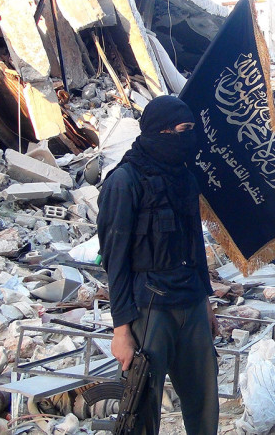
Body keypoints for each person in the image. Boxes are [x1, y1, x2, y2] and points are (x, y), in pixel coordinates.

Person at [97, 95, 219, 435]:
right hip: (149, 308)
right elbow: (115, 261)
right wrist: (121, 330)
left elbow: (194, 243)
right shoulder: (125, 181)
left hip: (191, 303)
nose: (189, 138)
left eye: (192, 130)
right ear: (160, 131)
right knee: (142, 406)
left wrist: (206, 303)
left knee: (204, 401)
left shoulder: (185, 178)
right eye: (183, 130)